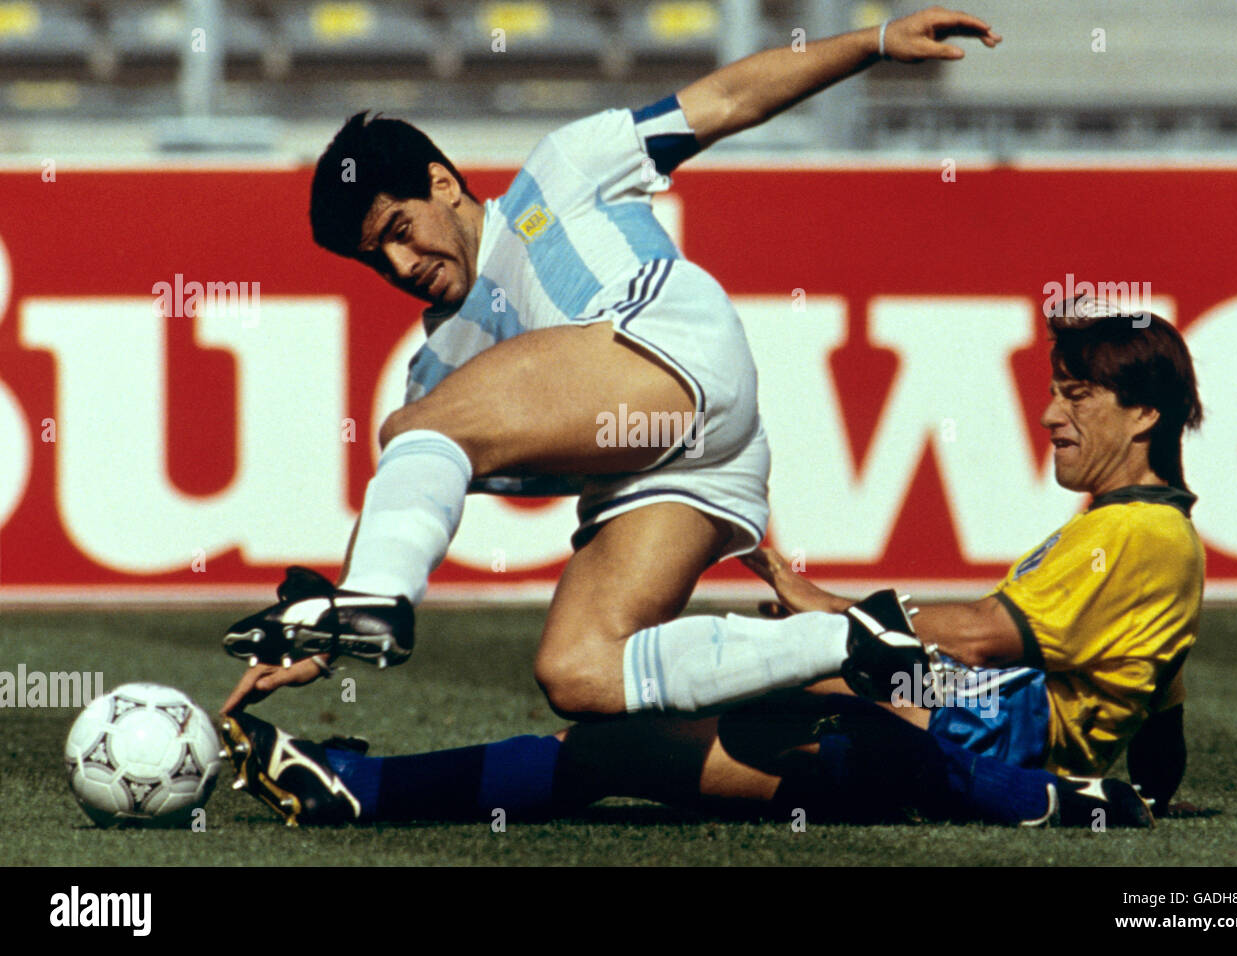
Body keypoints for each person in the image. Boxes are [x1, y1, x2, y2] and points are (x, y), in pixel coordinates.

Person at [219, 8, 1004, 722]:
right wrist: (326, 635)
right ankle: (855, 645)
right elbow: (409, 472)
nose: (398, 263)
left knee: (416, 424)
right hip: (690, 468)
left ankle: (377, 604)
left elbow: (729, 99)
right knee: (579, 671)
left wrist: (871, 43)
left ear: (444, 184)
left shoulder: (563, 168)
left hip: (671, 347)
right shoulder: (440, 367)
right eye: (374, 258)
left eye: (399, 228)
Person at [218, 301, 1203, 830]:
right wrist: (1149, 779)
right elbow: (1158, 696)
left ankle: (364, 787)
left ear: (1143, 414)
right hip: (945, 717)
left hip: (954, 738)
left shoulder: (1133, 534)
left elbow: (984, 637)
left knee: (615, 734)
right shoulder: (1143, 536)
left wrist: (834, 637)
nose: (1048, 414)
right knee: (624, 719)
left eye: (1073, 394)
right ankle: (358, 786)